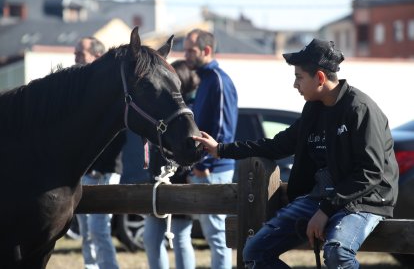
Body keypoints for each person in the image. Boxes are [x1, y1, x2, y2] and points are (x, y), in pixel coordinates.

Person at [193, 38, 399, 269]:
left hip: (363, 201)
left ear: (320, 78)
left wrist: (326, 210)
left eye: (299, 77)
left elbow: (369, 173)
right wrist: (221, 149)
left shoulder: (360, 110)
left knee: (337, 253)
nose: (295, 85)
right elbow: (277, 145)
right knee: (254, 252)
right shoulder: (314, 108)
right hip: (321, 200)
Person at [184, 29, 239, 269]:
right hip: (205, 167)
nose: (185, 55)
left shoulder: (217, 79)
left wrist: (203, 166)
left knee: (217, 237)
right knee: (212, 235)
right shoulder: (204, 79)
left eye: (190, 50)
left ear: (206, 51)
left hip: (212, 168)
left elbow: (223, 130)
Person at [143, 59, 200, 269]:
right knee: (150, 238)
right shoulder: (167, 111)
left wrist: (189, 173)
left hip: (180, 178)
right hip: (159, 179)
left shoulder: (190, 112)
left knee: (180, 237)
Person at [74, 36, 125, 269]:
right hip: (84, 170)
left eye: (79, 54)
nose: (74, 59)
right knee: (85, 231)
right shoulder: (79, 89)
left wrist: (97, 164)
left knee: (99, 229)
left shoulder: (110, 89)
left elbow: (116, 134)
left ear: (97, 57)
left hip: (105, 170)